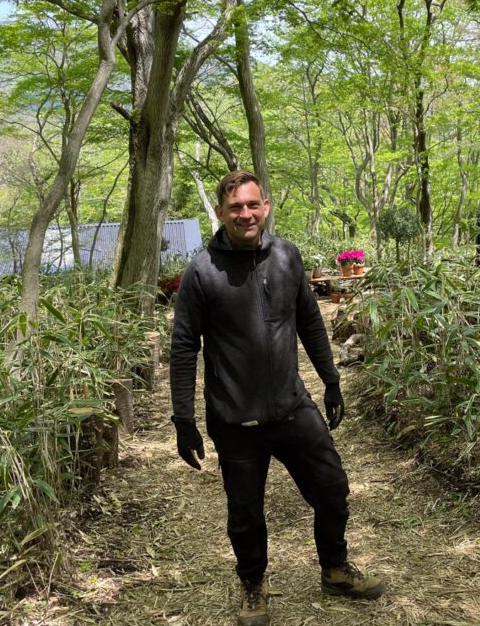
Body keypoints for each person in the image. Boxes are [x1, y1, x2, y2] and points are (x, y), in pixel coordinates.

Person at [169, 170, 385, 626]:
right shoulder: (202, 271)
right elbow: (184, 346)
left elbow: (309, 321)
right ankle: (252, 585)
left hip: (292, 406)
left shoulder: (287, 256)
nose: (245, 214)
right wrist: (182, 420)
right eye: (235, 208)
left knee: (333, 490)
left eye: (252, 205)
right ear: (222, 213)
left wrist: (330, 380)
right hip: (235, 419)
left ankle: (335, 569)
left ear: (265, 206)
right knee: (245, 513)